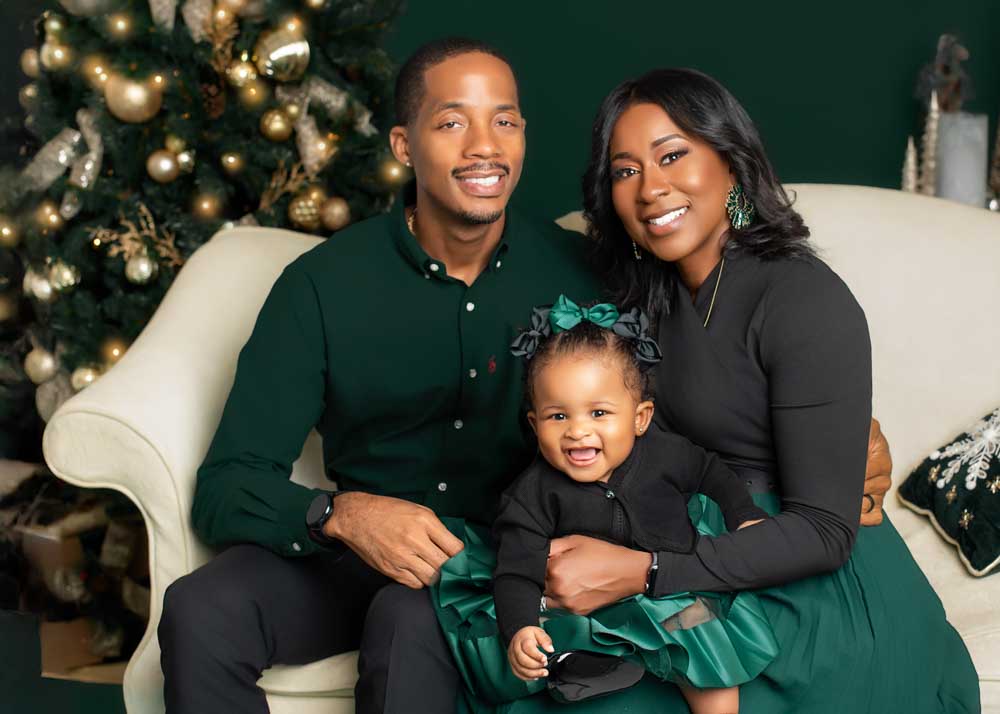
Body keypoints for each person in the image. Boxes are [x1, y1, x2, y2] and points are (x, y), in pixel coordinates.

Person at [156, 38, 895, 713]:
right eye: (452, 124)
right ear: (403, 144)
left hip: (500, 565)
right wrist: (339, 514)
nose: (484, 147)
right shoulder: (320, 286)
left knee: (410, 621)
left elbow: (688, 387)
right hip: (351, 553)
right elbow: (226, 487)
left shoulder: (591, 274)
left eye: (505, 122)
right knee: (200, 612)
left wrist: (843, 433)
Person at [518, 67, 975, 713]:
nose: (651, 188)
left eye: (672, 155)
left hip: (815, 599)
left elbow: (824, 530)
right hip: (698, 571)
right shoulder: (644, 301)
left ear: (730, 162)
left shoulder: (802, 298)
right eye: (625, 172)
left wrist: (643, 571)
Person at [433, 294, 782, 714]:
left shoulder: (667, 454)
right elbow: (516, 574)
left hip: (670, 591)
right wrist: (520, 629)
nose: (578, 432)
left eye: (599, 413)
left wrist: (743, 515)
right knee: (550, 649)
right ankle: (591, 670)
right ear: (534, 423)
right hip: (590, 609)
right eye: (558, 417)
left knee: (705, 649)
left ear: (640, 417)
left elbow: (712, 473)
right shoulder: (531, 495)